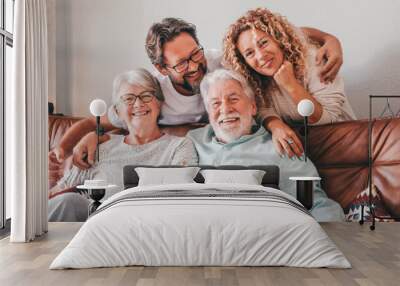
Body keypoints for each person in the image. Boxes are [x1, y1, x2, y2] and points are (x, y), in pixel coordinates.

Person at [49, 17, 344, 171]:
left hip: (237, 148)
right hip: (194, 154)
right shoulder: (152, 92)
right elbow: (99, 121)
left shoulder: (222, 62)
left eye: (196, 53)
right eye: (182, 63)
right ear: (161, 68)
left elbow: (272, 36)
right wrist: (64, 148)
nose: (195, 66)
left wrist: (328, 38)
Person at [187, 68, 345, 221]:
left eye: (233, 99)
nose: (225, 109)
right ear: (208, 113)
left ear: (253, 107)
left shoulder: (281, 147)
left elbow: (316, 204)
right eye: (215, 104)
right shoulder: (192, 142)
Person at [48, 69, 198, 221]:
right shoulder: (99, 147)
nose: (138, 104)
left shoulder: (179, 146)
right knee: (68, 202)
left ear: (159, 103)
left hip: (149, 222)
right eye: (128, 99)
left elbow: (181, 196)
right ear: (117, 111)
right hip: (97, 225)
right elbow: (57, 194)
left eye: (147, 96)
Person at [223, 8, 356, 157]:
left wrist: (290, 84)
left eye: (263, 43)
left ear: (278, 39)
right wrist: (275, 125)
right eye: (249, 53)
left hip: (345, 146)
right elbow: (262, 110)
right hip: (304, 153)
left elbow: (327, 118)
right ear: (244, 61)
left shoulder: (313, 59)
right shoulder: (255, 80)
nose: (260, 56)